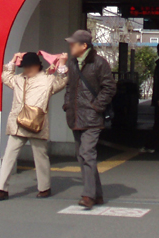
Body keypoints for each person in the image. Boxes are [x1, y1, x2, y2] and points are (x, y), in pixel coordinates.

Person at [0, 51, 68, 201]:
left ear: (38, 66)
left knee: (40, 157)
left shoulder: (48, 80)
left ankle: (44, 187)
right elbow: (5, 77)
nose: (26, 70)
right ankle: (2, 189)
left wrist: (63, 64)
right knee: (8, 156)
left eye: (29, 66)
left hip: (36, 124)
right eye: (24, 67)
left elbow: (63, 81)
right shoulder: (19, 79)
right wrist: (13, 61)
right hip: (18, 124)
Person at [63, 29, 116, 210]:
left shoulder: (99, 63)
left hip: (92, 117)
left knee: (87, 153)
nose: (70, 46)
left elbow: (109, 87)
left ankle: (88, 195)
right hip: (75, 116)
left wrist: (96, 107)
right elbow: (69, 86)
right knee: (82, 156)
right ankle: (97, 194)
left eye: (73, 43)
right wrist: (67, 105)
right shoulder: (72, 63)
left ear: (83, 46)